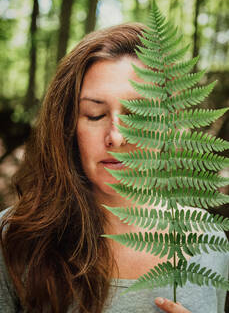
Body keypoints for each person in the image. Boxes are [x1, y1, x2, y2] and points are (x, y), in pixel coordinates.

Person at [0, 23, 228, 313]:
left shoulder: (208, 241)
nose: (116, 136)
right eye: (95, 115)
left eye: (137, 114)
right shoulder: (14, 239)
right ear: (68, 126)